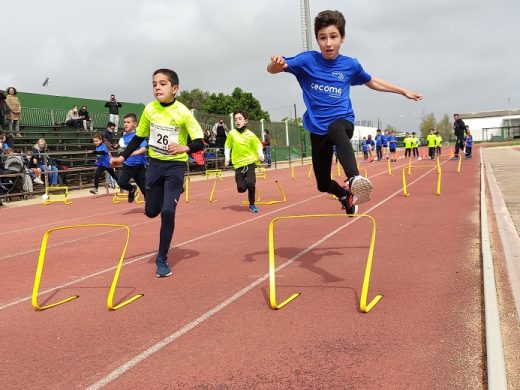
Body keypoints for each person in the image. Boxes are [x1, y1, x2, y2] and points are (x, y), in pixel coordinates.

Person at [268, 10, 422, 213]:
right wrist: (276, 63)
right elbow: (273, 69)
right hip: (317, 129)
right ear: (317, 39)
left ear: (342, 38)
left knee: (336, 128)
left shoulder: (350, 65)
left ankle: (354, 179)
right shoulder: (307, 61)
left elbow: (372, 81)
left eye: (333, 37)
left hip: (343, 122)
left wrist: (402, 91)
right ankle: (345, 195)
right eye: (323, 38)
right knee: (322, 184)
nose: (328, 43)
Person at [110, 68, 204, 278]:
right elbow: (138, 137)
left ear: (175, 88)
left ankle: (162, 258)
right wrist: (122, 157)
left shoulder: (183, 112)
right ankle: (171, 193)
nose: (157, 88)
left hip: (175, 167)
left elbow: (199, 141)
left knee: (168, 212)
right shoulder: (149, 110)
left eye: (162, 84)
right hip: (154, 165)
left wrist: (184, 147)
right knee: (151, 211)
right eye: (154, 84)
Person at [224, 110, 264, 213]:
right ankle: (246, 182)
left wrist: (261, 156)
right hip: (238, 164)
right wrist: (227, 158)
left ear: (245, 121)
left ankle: (252, 204)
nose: (237, 121)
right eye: (236, 119)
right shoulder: (231, 133)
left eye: (240, 119)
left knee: (251, 183)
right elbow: (227, 146)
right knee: (241, 188)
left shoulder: (250, 134)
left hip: (250, 162)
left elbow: (258, 145)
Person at [116, 113, 147, 202]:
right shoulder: (124, 137)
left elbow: (144, 148)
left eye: (128, 122)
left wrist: (132, 153)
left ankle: (149, 206)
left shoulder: (138, 135)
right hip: (127, 165)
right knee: (121, 183)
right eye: (124, 122)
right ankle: (132, 189)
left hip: (139, 166)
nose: (125, 124)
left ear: (135, 124)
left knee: (145, 190)